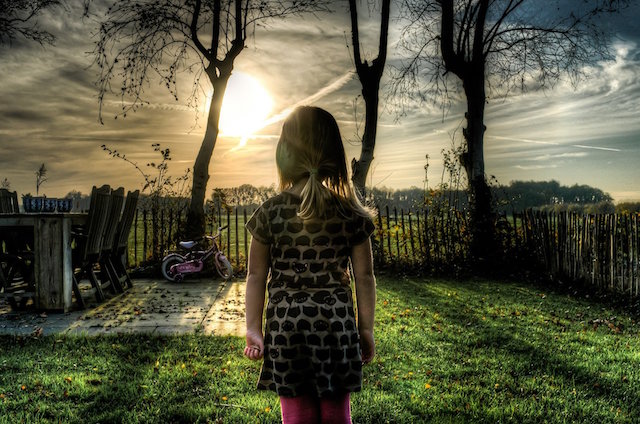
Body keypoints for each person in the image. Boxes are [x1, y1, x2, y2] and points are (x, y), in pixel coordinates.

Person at [244, 106, 377, 424]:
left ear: (285, 152)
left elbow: (255, 275)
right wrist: (366, 329)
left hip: (287, 330)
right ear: (334, 152)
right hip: (335, 328)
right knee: (335, 416)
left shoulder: (270, 212)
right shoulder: (350, 213)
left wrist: (252, 328)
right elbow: (364, 275)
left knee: (298, 416)